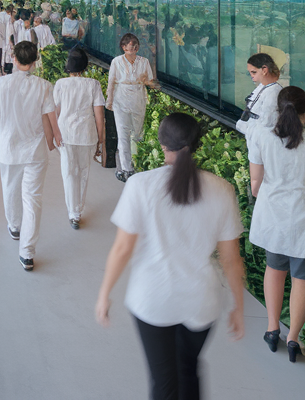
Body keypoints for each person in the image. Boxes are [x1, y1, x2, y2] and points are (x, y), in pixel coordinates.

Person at [95, 112, 246, 400]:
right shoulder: (222, 190)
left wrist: (104, 293)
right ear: (198, 144)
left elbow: (123, 248)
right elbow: (231, 259)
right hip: (201, 300)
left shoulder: (140, 185)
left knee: (163, 380)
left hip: (153, 298)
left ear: (162, 144)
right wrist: (237, 306)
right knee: (189, 369)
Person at [249, 86, 305, 363]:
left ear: (277, 110)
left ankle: (273, 329)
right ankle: (294, 338)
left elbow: (256, 182)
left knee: (274, 270)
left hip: (274, 215)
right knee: (303, 280)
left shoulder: (261, 136)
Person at [0, 41, 59, 271]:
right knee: (33, 199)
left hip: (9, 147)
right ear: (36, 60)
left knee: (10, 189)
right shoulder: (45, 86)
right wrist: (56, 137)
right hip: (35, 150)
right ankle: (27, 253)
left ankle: (15, 226)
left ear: (14, 59)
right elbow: (50, 115)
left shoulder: (2, 83)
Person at [53, 47, 105, 228]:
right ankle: (77, 213)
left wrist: (54, 133)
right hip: (87, 134)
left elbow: (56, 111)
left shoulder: (60, 84)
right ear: (85, 67)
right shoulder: (94, 85)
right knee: (83, 172)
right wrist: (101, 139)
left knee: (68, 172)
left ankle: (71, 210)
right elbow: (99, 115)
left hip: (65, 134)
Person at [108, 33, 160, 182]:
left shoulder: (144, 62)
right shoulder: (116, 62)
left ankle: (136, 165)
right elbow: (111, 81)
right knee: (123, 133)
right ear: (123, 47)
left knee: (137, 134)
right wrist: (109, 101)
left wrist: (151, 84)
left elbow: (150, 81)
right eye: (130, 45)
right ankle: (126, 169)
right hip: (121, 99)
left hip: (138, 98)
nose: (134, 47)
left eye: (135, 45)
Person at [237, 53, 282, 144]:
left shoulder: (273, 92)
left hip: (263, 142)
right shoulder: (262, 87)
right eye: (249, 72)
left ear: (264, 70)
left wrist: (243, 126)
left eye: (254, 72)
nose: (251, 75)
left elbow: (267, 124)